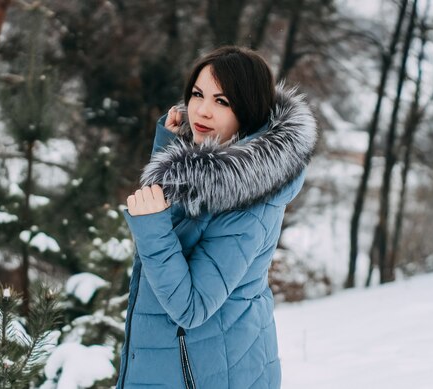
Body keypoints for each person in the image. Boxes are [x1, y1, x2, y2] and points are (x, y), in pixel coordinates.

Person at [117, 46, 317, 389]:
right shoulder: (213, 174)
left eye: (222, 101)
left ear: (249, 110)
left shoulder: (248, 202)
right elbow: (185, 226)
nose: (203, 110)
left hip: (207, 373)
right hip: (179, 364)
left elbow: (191, 307)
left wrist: (152, 228)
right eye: (197, 94)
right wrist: (170, 152)